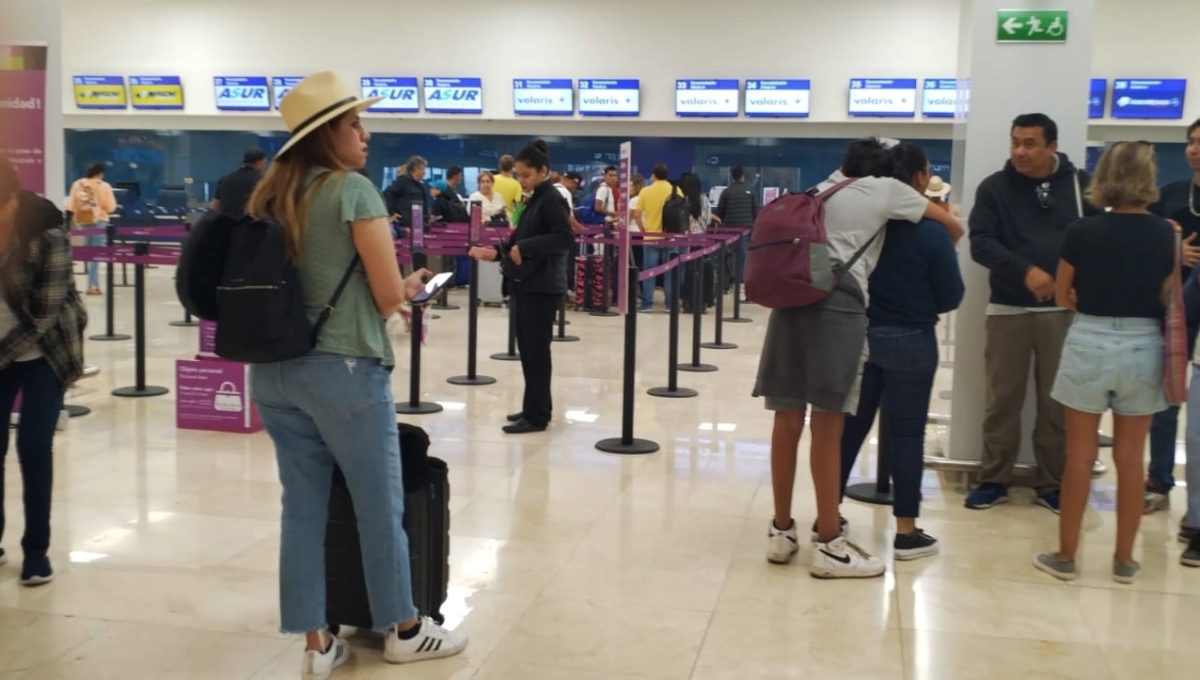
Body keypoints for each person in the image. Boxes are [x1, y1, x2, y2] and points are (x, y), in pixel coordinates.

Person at [243, 71, 467, 678]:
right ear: (326, 137)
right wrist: (412, 285)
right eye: (353, 125)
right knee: (377, 503)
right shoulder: (352, 191)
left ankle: (317, 645)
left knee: (302, 509)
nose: (364, 136)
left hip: (273, 374)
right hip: (342, 370)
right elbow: (388, 292)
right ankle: (404, 628)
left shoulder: (270, 195)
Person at [754, 138, 964, 578]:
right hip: (839, 308)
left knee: (786, 420)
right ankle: (830, 545)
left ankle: (781, 531)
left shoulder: (821, 187)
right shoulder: (885, 189)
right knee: (828, 427)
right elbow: (949, 226)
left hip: (790, 303)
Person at [1033, 141, 1175, 585]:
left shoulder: (1081, 230)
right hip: (1144, 345)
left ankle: (1066, 555)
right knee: (1132, 460)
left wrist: (1085, 300)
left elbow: (1061, 295)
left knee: (1079, 457)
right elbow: (1169, 296)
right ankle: (1124, 560)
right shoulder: (1165, 234)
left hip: (1089, 340)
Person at [839, 143, 965, 562]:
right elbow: (951, 296)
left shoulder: (867, 226)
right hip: (912, 339)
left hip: (862, 335)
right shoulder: (931, 232)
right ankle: (906, 533)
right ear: (916, 178)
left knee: (850, 429)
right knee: (908, 434)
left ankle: (829, 516)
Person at [966, 113, 1095, 514]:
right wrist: (1026, 271)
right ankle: (994, 479)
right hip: (1008, 308)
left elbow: (1097, 239)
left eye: (1030, 144)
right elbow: (981, 243)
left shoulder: (1080, 186)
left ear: (1052, 147)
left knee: (1057, 401)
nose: (1020, 151)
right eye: (1015, 142)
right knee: (1002, 399)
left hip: (1065, 311)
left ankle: (1052, 481)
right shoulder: (994, 188)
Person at [0, 156, 88, 587]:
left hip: (47, 351)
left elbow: (43, 316)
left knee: (34, 447)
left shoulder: (49, 235)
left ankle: (36, 551)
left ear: (14, 199)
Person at [468, 141, 573, 435]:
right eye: (519, 175)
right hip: (528, 283)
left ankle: (537, 416)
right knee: (529, 350)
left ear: (543, 171)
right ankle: (534, 407)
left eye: (526, 175)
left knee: (536, 352)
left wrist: (524, 247)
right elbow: (522, 238)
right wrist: (498, 251)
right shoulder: (534, 198)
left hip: (543, 286)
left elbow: (564, 238)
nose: (521, 180)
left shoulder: (550, 198)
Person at [1146, 118, 1200, 514]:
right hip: (1178, 307)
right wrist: (1175, 255)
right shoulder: (1170, 195)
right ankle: (1159, 480)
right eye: (1191, 142)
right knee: (1166, 397)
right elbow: (1141, 243)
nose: (1195, 149)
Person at [633, 164, 684, 312]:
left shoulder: (645, 191)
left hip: (651, 237)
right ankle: (670, 305)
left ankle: (647, 304)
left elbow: (636, 214)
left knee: (649, 271)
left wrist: (644, 231)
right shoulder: (676, 190)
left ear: (653, 175)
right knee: (670, 272)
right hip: (670, 236)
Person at [66, 162, 118, 296]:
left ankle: (95, 284)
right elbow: (111, 207)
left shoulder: (77, 185)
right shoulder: (104, 186)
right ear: (100, 173)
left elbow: (71, 205)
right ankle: (91, 285)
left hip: (83, 220)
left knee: (89, 255)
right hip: (100, 221)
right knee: (96, 254)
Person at [714, 166, 758, 283]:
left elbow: (720, 212)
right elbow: (755, 211)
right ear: (742, 175)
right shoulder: (750, 190)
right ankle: (741, 278)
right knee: (743, 254)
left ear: (732, 176)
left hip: (729, 228)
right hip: (745, 228)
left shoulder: (726, 192)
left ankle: (730, 278)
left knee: (730, 254)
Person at [211, 148, 267, 219]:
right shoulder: (262, 181)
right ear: (258, 163)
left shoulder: (224, 180)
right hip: (250, 226)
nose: (264, 166)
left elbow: (214, 208)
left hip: (226, 226)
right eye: (264, 163)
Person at [383, 156, 429, 229]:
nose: (424, 172)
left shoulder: (420, 186)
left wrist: (426, 218)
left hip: (417, 227)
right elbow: (387, 194)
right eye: (423, 169)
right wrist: (391, 213)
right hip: (405, 227)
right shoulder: (403, 181)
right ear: (416, 168)